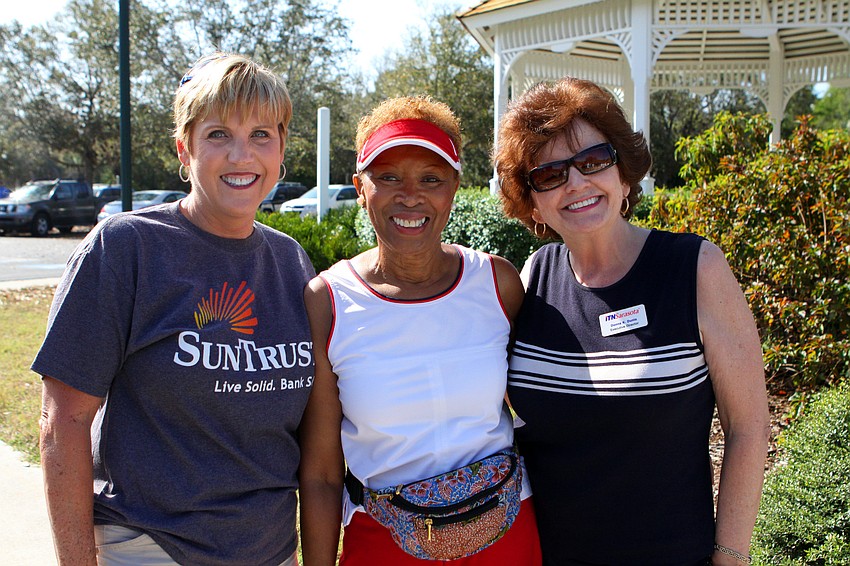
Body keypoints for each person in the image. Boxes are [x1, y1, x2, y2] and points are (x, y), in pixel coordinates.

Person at [33, 53, 314, 565]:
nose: (241, 155)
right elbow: (63, 423)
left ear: (280, 151)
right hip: (149, 547)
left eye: (260, 135)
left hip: (271, 551)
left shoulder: (291, 262)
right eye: (218, 135)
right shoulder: (125, 248)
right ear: (184, 150)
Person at [495, 77, 770, 566]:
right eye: (550, 174)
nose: (576, 183)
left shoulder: (694, 268)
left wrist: (730, 556)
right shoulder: (535, 277)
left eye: (593, 161)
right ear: (532, 202)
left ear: (624, 173)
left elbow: (747, 426)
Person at [298, 96, 542, 566]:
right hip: (384, 544)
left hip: (507, 537)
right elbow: (323, 473)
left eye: (431, 179)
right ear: (360, 187)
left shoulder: (497, 283)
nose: (410, 196)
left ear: (454, 188)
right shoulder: (327, 301)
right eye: (388, 177)